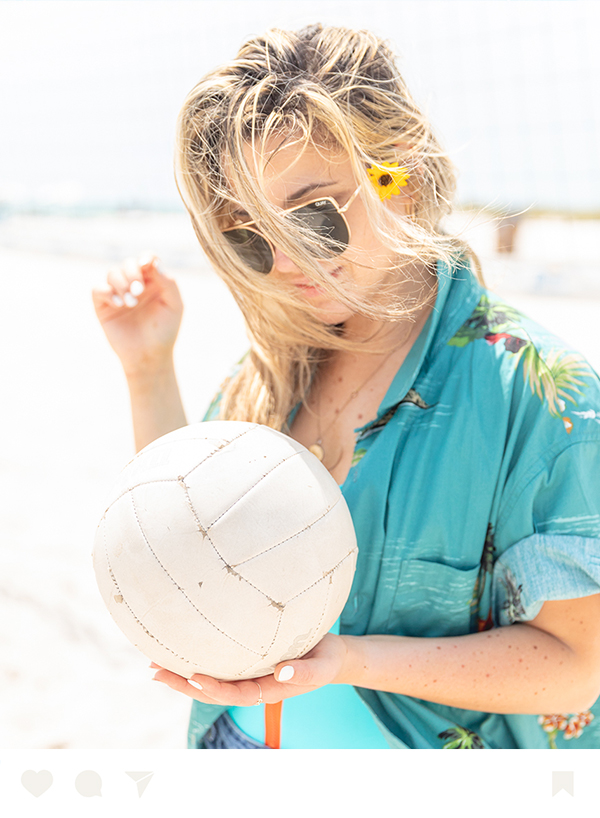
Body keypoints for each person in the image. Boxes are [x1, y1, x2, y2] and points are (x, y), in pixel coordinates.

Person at [93, 23, 600, 749]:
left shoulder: (540, 392)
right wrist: (147, 367)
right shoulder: (272, 370)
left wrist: (347, 662)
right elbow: (187, 527)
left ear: (404, 178)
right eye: (250, 232)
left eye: (313, 216)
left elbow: (574, 665)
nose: (286, 257)